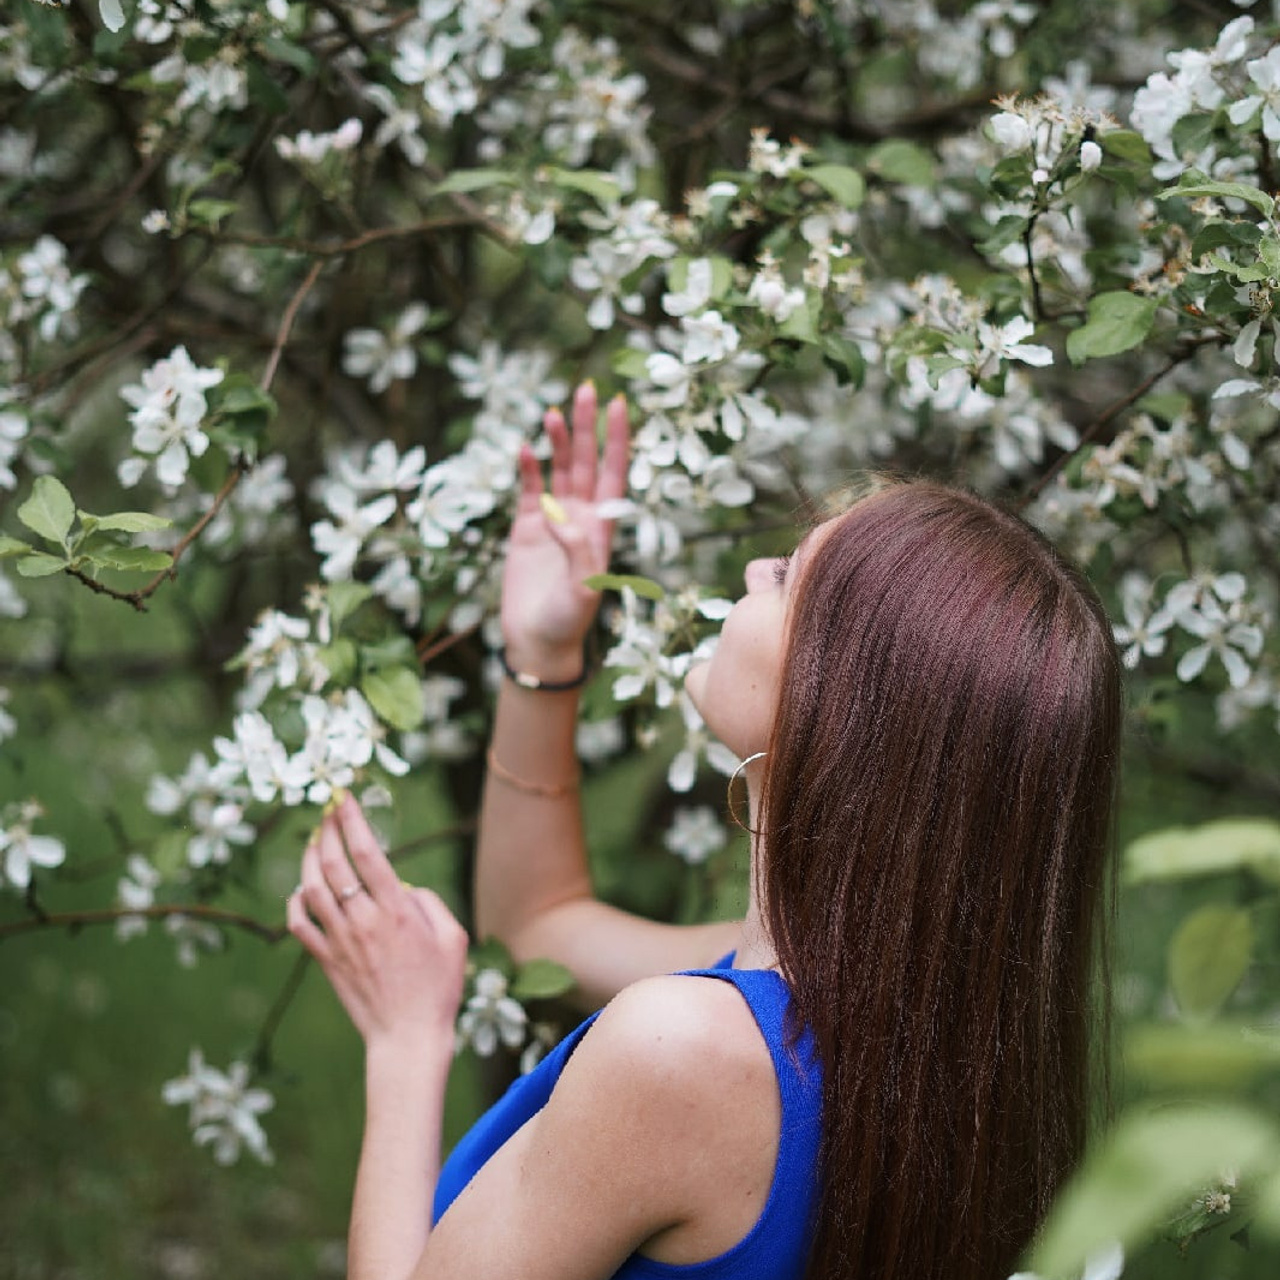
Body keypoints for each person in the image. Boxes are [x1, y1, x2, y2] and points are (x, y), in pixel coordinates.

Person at [288, 381, 1122, 1280]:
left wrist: (406, 1043)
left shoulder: (683, 1054)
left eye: (788, 574)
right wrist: (544, 653)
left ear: (837, 710)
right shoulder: (905, 1030)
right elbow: (539, 926)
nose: (753, 574)